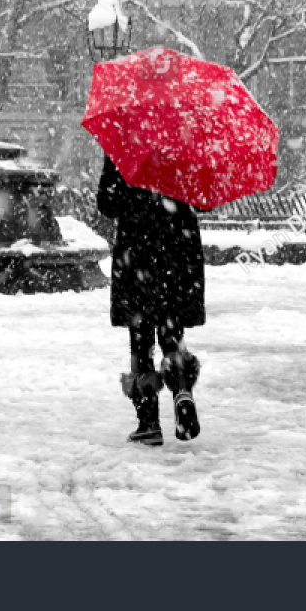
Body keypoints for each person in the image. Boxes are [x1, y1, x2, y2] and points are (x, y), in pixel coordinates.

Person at [97, 153, 204, 445]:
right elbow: (204, 200)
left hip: (138, 250)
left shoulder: (125, 143)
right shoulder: (184, 143)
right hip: (178, 250)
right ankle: (182, 393)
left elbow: (107, 204)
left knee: (141, 338)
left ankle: (148, 422)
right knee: (172, 330)